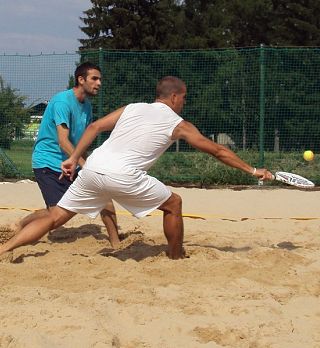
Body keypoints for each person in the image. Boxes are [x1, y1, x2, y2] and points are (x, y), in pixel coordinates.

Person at [0, 76, 273, 260]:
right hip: (122, 175)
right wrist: (252, 171)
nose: (185, 102)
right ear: (175, 97)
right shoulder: (178, 124)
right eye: (184, 97)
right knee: (174, 203)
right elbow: (218, 150)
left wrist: (74, 157)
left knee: (56, 217)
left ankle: (6, 249)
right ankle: (176, 256)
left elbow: (95, 128)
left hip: (93, 168)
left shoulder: (131, 108)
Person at [12, 61, 120, 248]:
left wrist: (87, 163)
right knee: (56, 217)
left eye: (100, 79)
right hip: (48, 163)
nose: (99, 83)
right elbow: (63, 141)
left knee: (104, 198)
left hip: (72, 162)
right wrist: (84, 164)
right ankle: (20, 225)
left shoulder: (87, 106)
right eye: (94, 78)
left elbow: (81, 141)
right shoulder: (63, 101)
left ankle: (116, 244)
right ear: (81, 79)